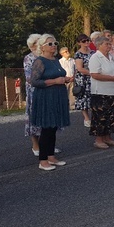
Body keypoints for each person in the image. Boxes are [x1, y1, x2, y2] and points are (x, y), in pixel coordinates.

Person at [29, 34, 71, 171]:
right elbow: (34, 81)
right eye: (50, 44)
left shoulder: (55, 60)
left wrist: (65, 79)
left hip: (57, 95)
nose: (54, 46)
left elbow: (57, 75)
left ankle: (51, 155)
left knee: (53, 127)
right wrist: (54, 81)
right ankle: (43, 160)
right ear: (42, 47)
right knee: (46, 128)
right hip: (46, 97)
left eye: (55, 43)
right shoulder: (40, 61)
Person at [88, 36, 114, 149]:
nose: (109, 46)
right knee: (100, 116)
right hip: (100, 92)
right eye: (106, 44)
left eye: (109, 44)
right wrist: (112, 78)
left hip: (113, 90)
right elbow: (94, 74)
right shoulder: (95, 57)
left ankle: (108, 137)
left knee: (111, 115)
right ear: (99, 46)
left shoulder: (112, 57)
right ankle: (99, 139)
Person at [74, 34, 94, 127]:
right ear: (79, 43)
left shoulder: (93, 52)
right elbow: (80, 68)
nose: (86, 42)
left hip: (93, 77)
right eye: (84, 41)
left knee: (93, 96)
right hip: (83, 78)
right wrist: (91, 73)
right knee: (83, 97)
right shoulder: (78, 54)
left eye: (88, 40)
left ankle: (94, 116)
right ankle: (86, 117)